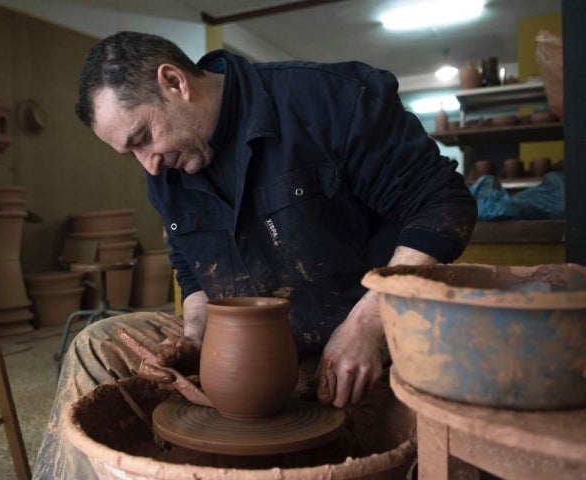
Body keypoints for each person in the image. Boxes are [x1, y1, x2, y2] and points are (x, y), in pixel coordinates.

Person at [33, 31, 476, 478]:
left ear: (174, 82)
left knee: (440, 423)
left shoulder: (323, 101)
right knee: (96, 345)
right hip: (251, 346)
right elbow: (192, 267)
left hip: (364, 336)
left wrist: (369, 323)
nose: (147, 163)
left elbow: (441, 202)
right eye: (131, 152)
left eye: (143, 137)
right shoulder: (166, 169)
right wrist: (195, 338)